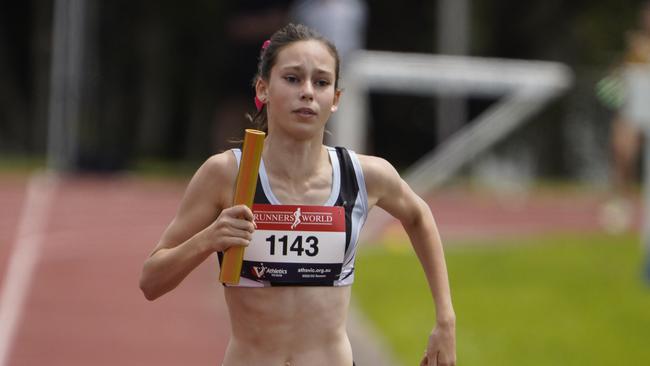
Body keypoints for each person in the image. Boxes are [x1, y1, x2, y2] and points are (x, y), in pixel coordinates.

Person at [139, 24, 456, 366]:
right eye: (292, 78)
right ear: (263, 88)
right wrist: (208, 238)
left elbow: (418, 215)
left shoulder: (362, 175)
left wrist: (445, 320)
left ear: (335, 99)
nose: (307, 92)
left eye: (321, 82)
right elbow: (151, 281)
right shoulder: (227, 174)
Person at [600, 1, 650, 233]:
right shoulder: (634, 45)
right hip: (635, 107)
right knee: (622, 150)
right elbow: (615, 78)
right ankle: (621, 202)